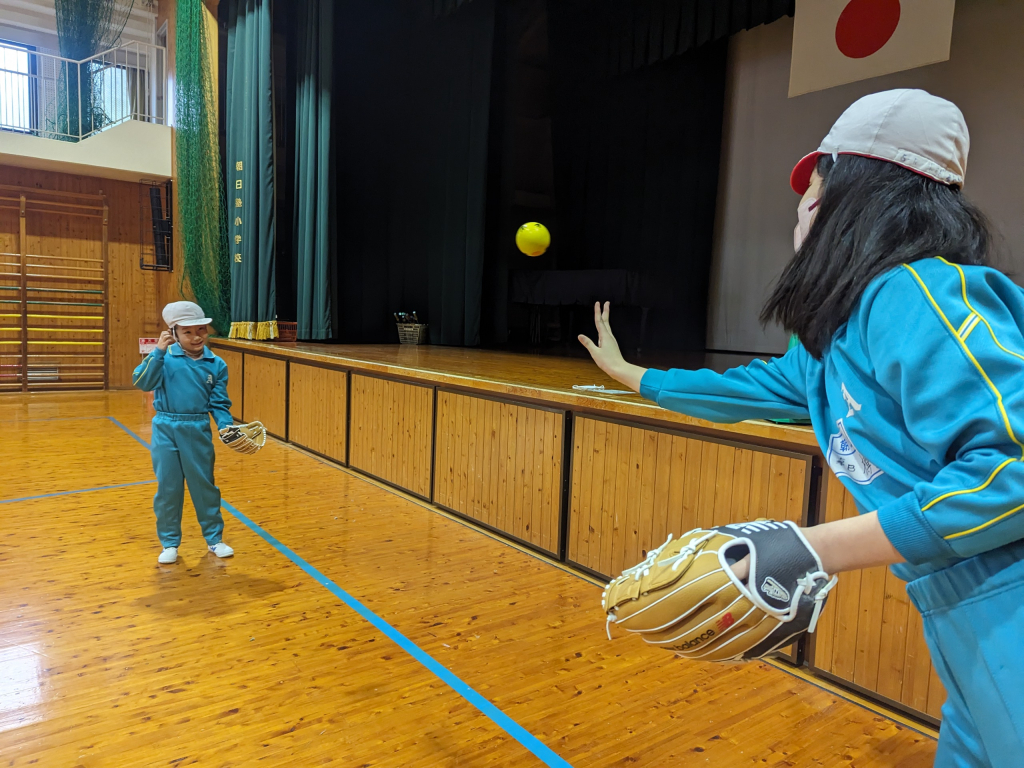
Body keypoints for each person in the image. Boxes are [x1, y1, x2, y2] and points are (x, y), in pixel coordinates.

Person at [579, 89, 1023, 766]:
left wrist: (810, 550)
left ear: (854, 199)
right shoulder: (828, 347)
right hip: (957, 612)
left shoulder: (918, 292)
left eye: (812, 189)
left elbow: (1012, 467)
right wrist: (631, 374)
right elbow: (741, 389)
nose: (800, 209)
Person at [133, 301, 235, 564]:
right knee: (168, 487)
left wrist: (225, 425)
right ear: (173, 333)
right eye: (188, 332)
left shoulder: (216, 364)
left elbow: (219, 403)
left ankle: (214, 539)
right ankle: (169, 543)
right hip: (166, 427)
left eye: (201, 329)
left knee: (204, 486)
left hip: (197, 428)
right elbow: (141, 381)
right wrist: (157, 352)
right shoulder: (163, 358)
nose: (197, 336)